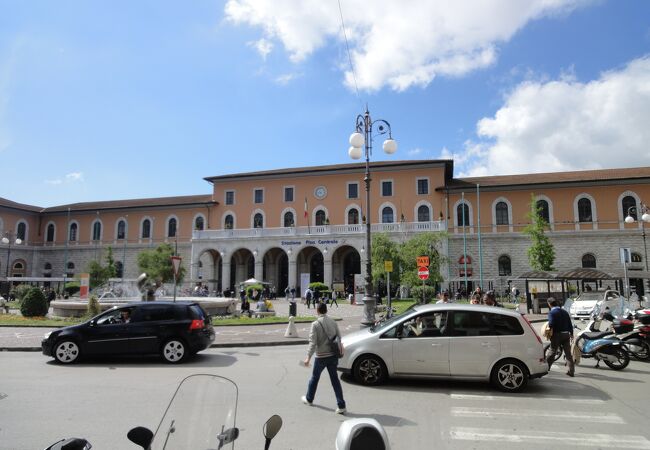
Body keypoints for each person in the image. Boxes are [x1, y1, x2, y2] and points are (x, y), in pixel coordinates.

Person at [301, 303, 346, 414]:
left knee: (314, 378)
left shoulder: (315, 324)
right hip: (333, 355)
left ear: (317, 311)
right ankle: (341, 405)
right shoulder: (333, 321)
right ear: (326, 310)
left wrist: (308, 357)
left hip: (321, 356)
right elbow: (339, 337)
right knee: (335, 380)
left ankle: (309, 399)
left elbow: (312, 343)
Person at [546, 297, 575, 377]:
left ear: (549, 304)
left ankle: (546, 368)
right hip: (566, 334)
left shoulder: (552, 313)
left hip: (556, 335)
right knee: (568, 354)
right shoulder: (565, 312)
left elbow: (551, 324)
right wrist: (571, 334)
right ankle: (571, 371)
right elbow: (570, 324)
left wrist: (548, 328)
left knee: (552, 351)